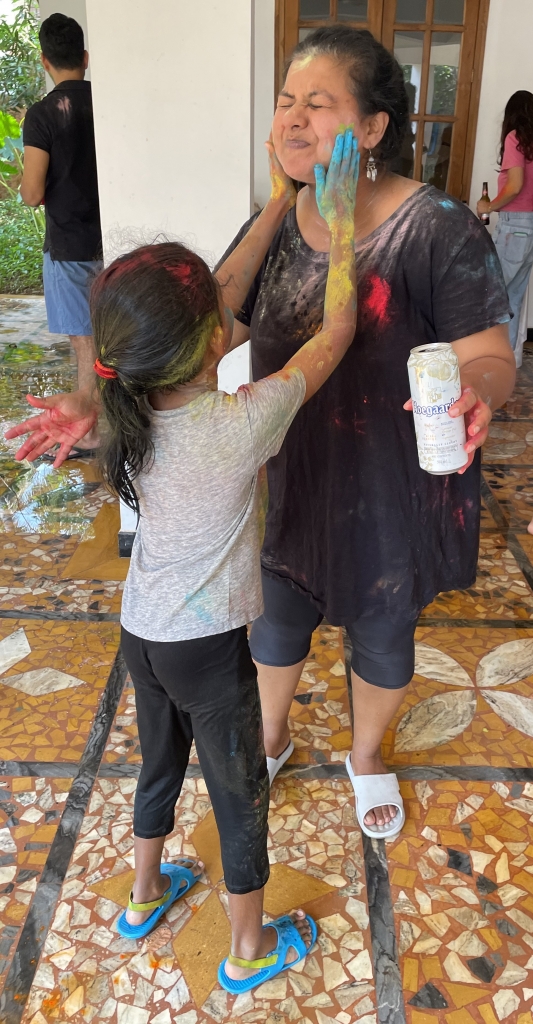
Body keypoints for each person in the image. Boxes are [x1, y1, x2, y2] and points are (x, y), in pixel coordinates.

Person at [5, 27, 516, 841]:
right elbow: (200, 331)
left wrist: (476, 392)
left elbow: (488, 356)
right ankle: (271, 738)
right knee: (276, 624)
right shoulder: (275, 219)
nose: (293, 118)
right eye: (285, 102)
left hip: (392, 489)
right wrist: (105, 395)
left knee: (382, 634)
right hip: (290, 480)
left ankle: (366, 754)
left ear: (373, 127)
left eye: (318, 103)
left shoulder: (437, 229)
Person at [53, 132, 358, 989]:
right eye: (219, 313)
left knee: (157, 765)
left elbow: (214, 298)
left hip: (142, 635)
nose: (230, 307)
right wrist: (338, 226)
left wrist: (277, 201)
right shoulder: (239, 425)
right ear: (212, 344)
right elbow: (335, 331)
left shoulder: (127, 405)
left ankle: (144, 893)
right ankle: (248, 949)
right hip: (208, 652)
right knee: (238, 793)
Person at [20, 13, 102, 456]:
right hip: (113, 239)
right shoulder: (106, 105)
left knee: (85, 339)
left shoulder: (43, 115)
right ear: (85, 58)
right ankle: (109, 417)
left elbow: (32, 193)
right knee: (111, 332)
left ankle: (90, 429)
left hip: (70, 245)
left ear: (45, 60)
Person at [477, 91, 533, 369]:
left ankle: (486, 359)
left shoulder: (515, 138)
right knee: (513, 297)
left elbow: (515, 186)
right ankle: (508, 362)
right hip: (531, 228)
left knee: (492, 293)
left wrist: (489, 206)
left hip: (515, 226)